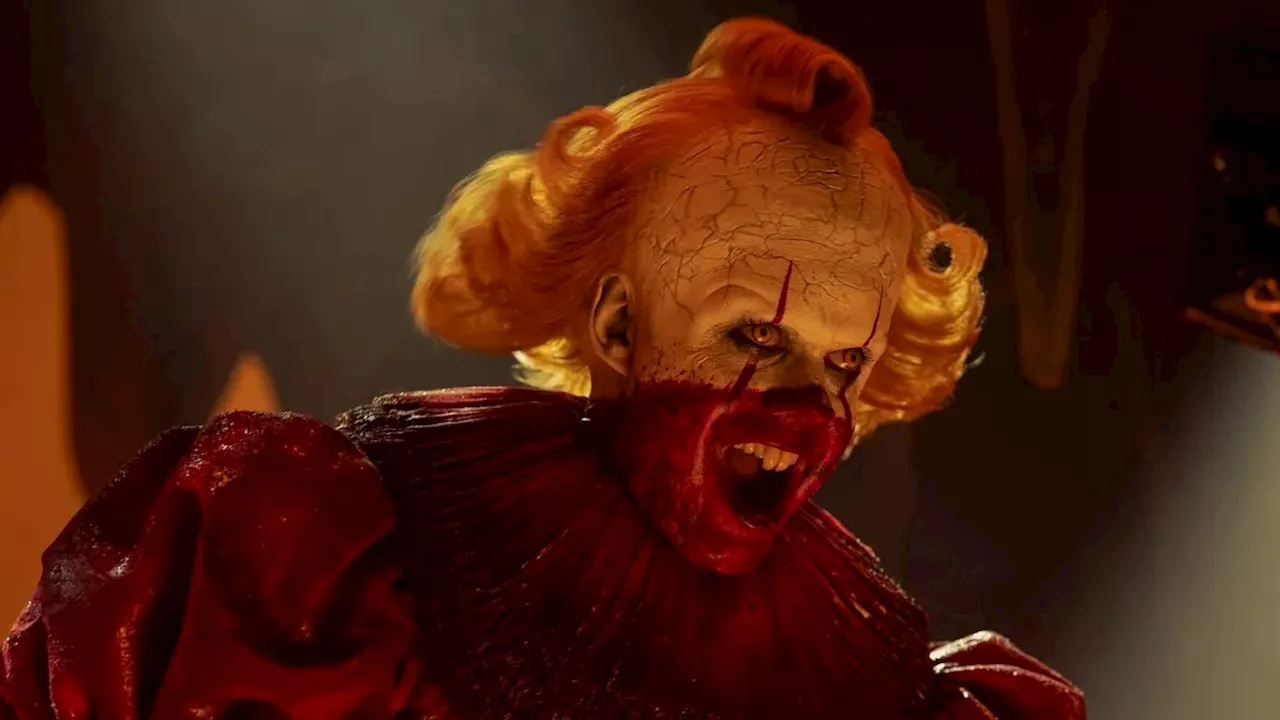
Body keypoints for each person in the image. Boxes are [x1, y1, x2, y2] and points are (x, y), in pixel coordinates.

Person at [1, 18, 1084, 719]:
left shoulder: (884, 678)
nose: (807, 405)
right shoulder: (327, 548)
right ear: (616, 326)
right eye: (755, 337)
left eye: (844, 360)